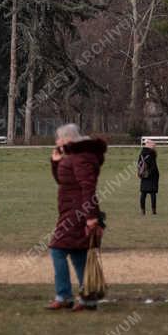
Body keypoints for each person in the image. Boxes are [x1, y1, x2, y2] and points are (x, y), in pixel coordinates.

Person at [47, 123, 106, 312]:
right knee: (79, 254)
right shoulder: (74, 156)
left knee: (57, 249)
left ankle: (64, 295)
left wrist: (90, 216)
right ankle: (87, 298)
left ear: (68, 139)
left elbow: (87, 187)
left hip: (77, 213)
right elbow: (64, 181)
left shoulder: (80, 158)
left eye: (59, 138)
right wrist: (56, 163)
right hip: (70, 212)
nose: (56, 141)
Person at [138, 138, 160, 215]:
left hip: (144, 176)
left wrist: (142, 173)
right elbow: (154, 167)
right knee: (153, 194)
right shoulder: (152, 154)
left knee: (143, 194)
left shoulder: (141, 153)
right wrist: (151, 173)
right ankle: (153, 211)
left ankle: (142, 211)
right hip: (152, 176)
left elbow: (138, 164)